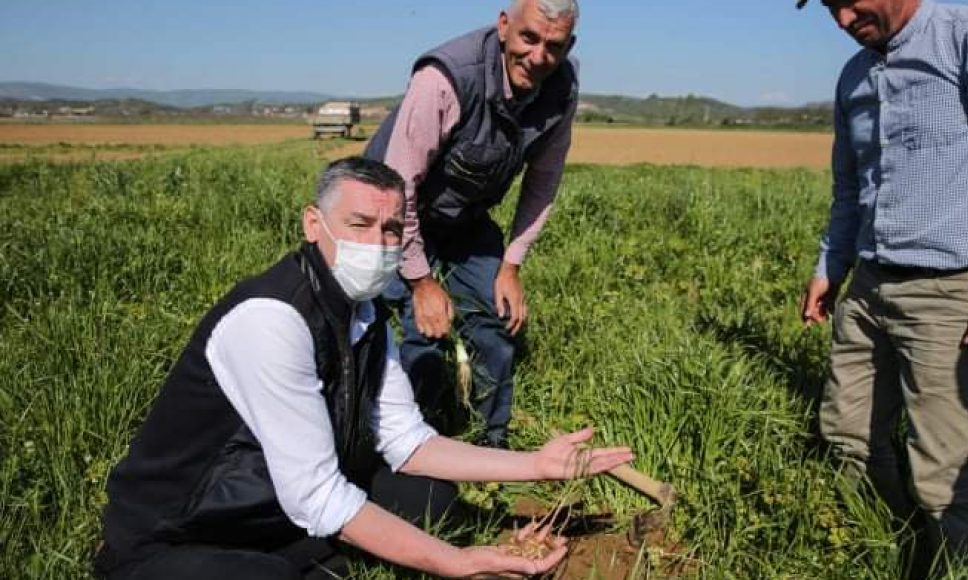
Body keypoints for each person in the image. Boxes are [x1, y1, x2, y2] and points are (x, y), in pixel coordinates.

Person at [94, 156, 634, 579]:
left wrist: (536, 465)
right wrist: (458, 562)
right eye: (359, 224)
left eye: (392, 229)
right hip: (183, 528)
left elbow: (409, 443)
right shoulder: (272, 319)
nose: (377, 244)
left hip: (272, 505)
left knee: (432, 500)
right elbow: (317, 494)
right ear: (313, 224)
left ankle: (316, 553)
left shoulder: (366, 314)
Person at [799, 0, 968, 576]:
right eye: (828, 6)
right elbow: (850, 187)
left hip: (952, 293)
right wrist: (831, 265)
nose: (843, 19)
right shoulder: (855, 76)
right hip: (868, 285)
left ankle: (967, 568)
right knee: (846, 435)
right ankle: (880, 552)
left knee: (944, 475)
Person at [363, 0, 580, 448]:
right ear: (504, 26)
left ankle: (490, 444)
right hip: (389, 214)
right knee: (422, 328)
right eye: (528, 38)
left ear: (569, 46)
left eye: (553, 46)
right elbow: (398, 187)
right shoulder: (445, 79)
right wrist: (421, 281)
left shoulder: (562, 89)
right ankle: (416, 446)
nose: (538, 57)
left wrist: (511, 266)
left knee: (496, 319)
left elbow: (543, 182)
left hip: (463, 218)